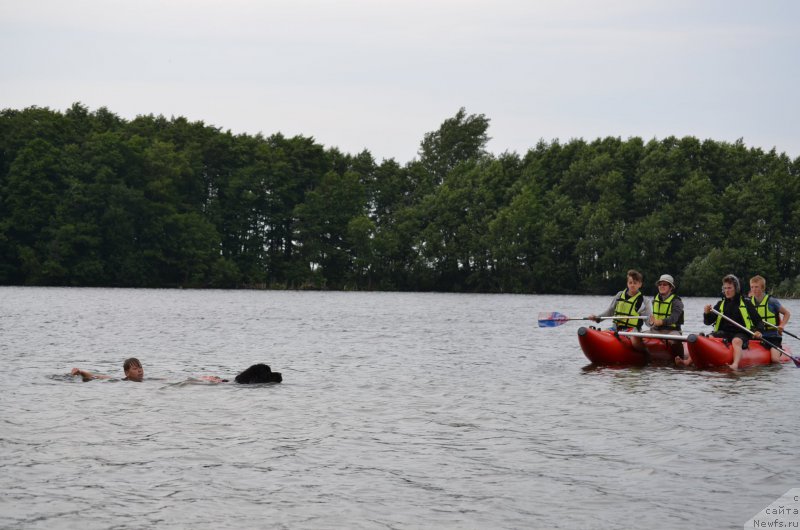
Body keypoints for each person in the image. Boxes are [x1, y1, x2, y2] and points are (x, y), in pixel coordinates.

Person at [699, 274, 764, 370]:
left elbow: (758, 321)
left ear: (736, 289)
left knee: (736, 341)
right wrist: (707, 313)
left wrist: (758, 331)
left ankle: (735, 364)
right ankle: (688, 361)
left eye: (729, 288)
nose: (726, 291)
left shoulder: (745, 302)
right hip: (725, 332)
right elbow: (707, 322)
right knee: (709, 337)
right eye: (725, 288)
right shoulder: (721, 304)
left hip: (742, 332)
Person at [588, 269, 652, 352]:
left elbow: (648, 321)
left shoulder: (644, 301)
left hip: (632, 330)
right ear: (627, 283)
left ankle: (646, 354)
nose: (632, 285)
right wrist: (598, 318)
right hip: (615, 328)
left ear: (640, 284)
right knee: (601, 334)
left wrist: (652, 322)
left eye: (635, 283)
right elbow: (610, 311)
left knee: (635, 342)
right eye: (630, 282)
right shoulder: (619, 295)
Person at [749, 275, 791, 363]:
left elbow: (787, 313)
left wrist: (782, 325)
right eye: (752, 287)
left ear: (763, 288)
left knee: (775, 360)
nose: (754, 289)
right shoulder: (748, 302)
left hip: (773, 336)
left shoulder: (771, 301)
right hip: (757, 335)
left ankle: (778, 353)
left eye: (756, 287)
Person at [643, 274, 685, 360]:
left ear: (671, 287)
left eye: (665, 284)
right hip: (655, 330)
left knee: (674, 341)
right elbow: (650, 319)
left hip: (671, 331)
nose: (661, 286)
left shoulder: (677, 302)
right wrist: (650, 322)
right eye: (660, 284)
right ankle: (643, 356)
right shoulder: (655, 300)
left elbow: (674, 318)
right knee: (638, 338)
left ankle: (681, 359)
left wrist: (661, 321)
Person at [71, 357, 143, 382]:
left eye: (140, 367)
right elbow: (95, 376)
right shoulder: (121, 381)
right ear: (127, 373)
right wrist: (80, 372)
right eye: (135, 368)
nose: (139, 370)